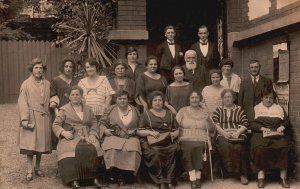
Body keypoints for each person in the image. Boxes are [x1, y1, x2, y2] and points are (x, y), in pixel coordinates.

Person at [52, 86, 104, 189]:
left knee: (94, 147)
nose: (75, 97)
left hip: (87, 134)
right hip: (71, 136)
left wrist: (93, 133)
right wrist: (63, 132)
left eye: (77, 94)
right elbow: (56, 125)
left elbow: (94, 122)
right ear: (69, 96)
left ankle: (93, 178)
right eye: (73, 94)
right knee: (71, 149)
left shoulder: (88, 109)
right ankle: (73, 179)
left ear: (81, 96)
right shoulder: (64, 110)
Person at [18, 58, 51, 181]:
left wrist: (53, 101)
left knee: (40, 145)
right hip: (32, 116)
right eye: (36, 68)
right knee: (30, 145)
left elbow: (51, 97)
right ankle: (29, 170)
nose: (38, 70)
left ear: (43, 70)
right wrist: (25, 119)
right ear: (31, 69)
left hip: (44, 117)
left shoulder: (47, 83)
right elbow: (22, 102)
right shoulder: (26, 84)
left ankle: (37, 167)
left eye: (40, 68)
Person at [137, 91, 179, 189]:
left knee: (173, 149)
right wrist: (150, 133)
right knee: (156, 151)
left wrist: (174, 134)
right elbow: (139, 131)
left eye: (160, 100)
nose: (157, 102)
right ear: (151, 102)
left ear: (163, 102)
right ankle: (160, 180)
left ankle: (169, 180)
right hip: (151, 141)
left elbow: (176, 129)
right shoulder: (146, 114)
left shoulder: (169, 114)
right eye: (155, 100)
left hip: (168, 140)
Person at [250, 88, 290, 188]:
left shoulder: (279, 108)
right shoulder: (256, 108)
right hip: (261, 133)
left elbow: (286, 121)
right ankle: (261, 177)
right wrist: (261, 128)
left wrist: (282, 126)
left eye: (271, 98)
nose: (268, 100)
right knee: (259, 148)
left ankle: (283, 177)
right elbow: (252, 123)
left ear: (274, 99)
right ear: (262, 99)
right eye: (266, 97)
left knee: (284, 147)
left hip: (276, 132)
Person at [100, 90, 141, 186]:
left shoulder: (135, 110)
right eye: (120, 99)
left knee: (134, 148)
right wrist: (105, 130)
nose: (122, 101)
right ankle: (115, 174)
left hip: (131, 136)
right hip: (114, 135)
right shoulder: (109, 110)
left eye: (124, 99)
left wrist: (135, 131)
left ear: (128, 100)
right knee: (113, 148)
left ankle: (129, 174)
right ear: (116, 100)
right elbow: (101, 123)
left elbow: (141, 125)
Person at [176, 91, 215, 189]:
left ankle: (198, 177)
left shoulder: (205, 112)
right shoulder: (182, 111)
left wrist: (208, 120)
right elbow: (175, 125)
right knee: (188, 148)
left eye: (197, 97)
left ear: (200, 99)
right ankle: (193, 178)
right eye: (192, 98)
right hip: (185, 138)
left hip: (202, 138)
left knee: (199, 147)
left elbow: (211, 129)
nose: (194, 100)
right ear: (189, 99)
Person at [211, 89, 249, 185]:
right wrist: (224, 133)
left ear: (233, 98)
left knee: (240, 147)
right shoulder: (219, 110)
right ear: (222, 99)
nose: (227, 99)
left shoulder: (239, 109)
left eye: (229, 97)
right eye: (225, 97)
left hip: (238, 134)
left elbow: (245, 123)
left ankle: (242, 174)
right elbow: (215, 124)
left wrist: (237, 133)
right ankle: (230, 171)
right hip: (223, 134)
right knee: (225, 145)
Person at [50, 56, 78, 149]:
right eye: (66, 66)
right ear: (62, 67)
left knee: (73, 132)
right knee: (62, 132)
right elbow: (52, 96)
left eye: (70, 67)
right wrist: (56, 111)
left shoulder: (76, 80)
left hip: (74, 110)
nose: (68, 68)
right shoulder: (56, 80)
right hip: (60, 111)